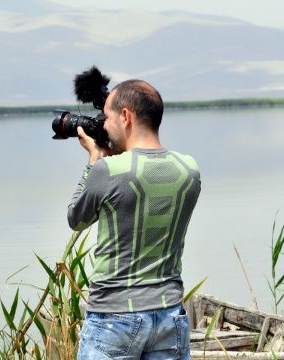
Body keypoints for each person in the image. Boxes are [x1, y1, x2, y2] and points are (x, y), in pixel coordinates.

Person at [68, 80, 201, 359]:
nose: (103, 125)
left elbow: (76, 219)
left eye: (106, 117)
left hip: (113, 318)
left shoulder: (108, 170)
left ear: (126, 116)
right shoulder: (188, 169)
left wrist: (94, 159)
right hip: (170, 316)